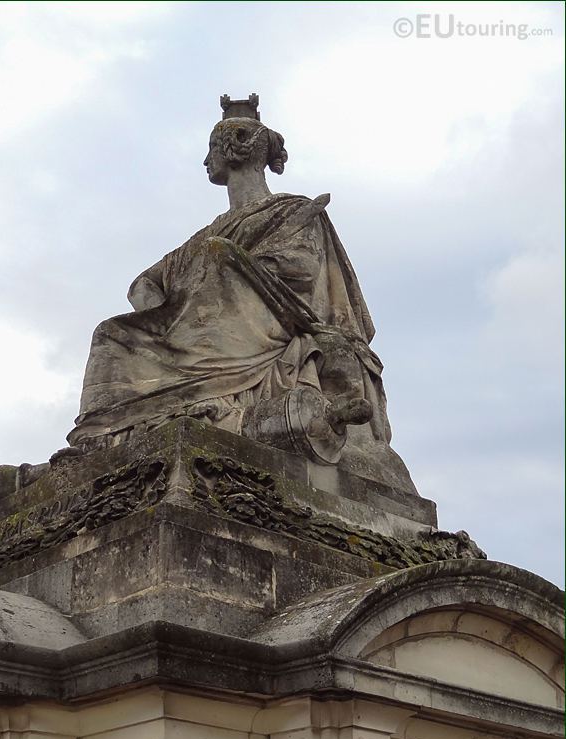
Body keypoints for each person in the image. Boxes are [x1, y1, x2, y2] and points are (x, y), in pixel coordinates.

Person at [65, 101, 416, 492]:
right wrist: (171, 316)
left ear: (235, 146)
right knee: (109, 335)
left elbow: (298, 271)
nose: (205, 160)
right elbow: (144, 283)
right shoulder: (207, 235)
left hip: (266, 326)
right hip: (192, 335)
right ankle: (98, 440)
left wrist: (227, 268)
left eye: (210, 149)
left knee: (218, 255)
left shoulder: (292, 211)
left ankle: (207, 402)